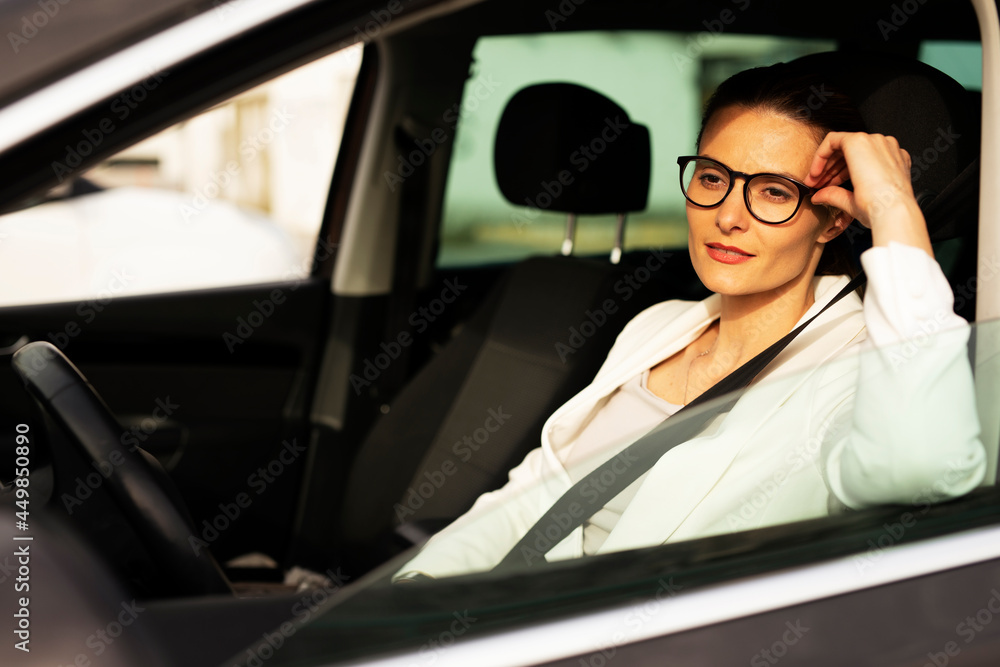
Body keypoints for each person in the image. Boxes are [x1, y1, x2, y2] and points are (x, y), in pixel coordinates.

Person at [393, 62, 988, 581]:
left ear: (832, 220)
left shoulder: (867, 364)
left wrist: (892, 207)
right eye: (711, 178)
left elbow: (920, 471)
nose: (728, 215)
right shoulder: (658, 326)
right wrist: (413, 596)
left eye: (775, 192)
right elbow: (531, 499)